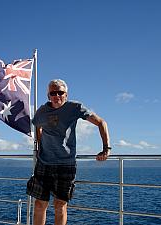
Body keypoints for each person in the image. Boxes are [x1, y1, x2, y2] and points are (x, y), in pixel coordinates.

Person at [26, 79, 111, 225]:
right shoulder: (41, 111)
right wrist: (40, 145)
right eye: (53, 93)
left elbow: (101, 122)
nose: (57, 95)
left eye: (60, 92)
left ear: (66, 94)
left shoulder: (74, 108)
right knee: (40, 205)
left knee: (60, 206)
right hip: (44, 163)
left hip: (66, 164)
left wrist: (106, 148)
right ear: (48, 95)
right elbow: (37, 126)